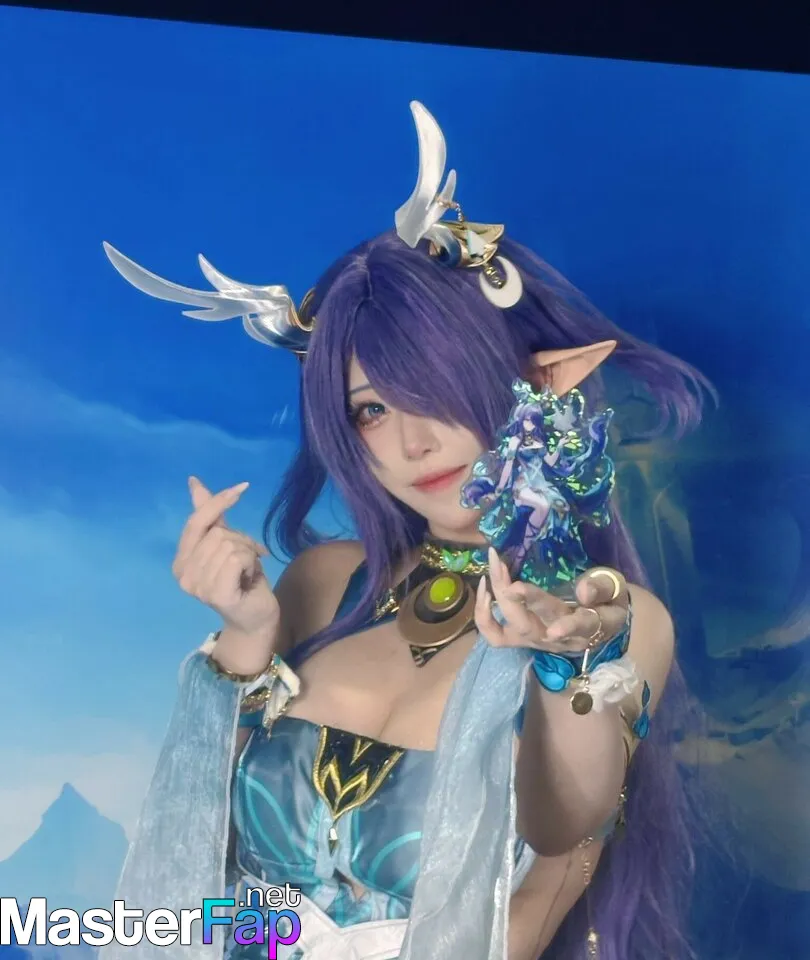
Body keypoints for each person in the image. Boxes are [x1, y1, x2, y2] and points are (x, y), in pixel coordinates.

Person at [102, 102, 710, 960]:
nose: (410, 443)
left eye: (432, 390)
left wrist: (564, 665)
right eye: (371, 409)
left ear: (533, 380)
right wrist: (242, 640)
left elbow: (561, 843)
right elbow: (194, 847)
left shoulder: (609, 620)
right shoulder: (323, 582)